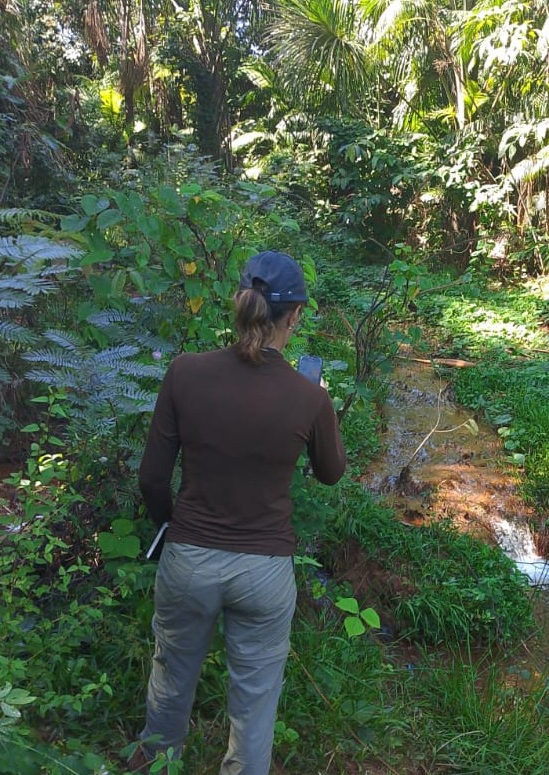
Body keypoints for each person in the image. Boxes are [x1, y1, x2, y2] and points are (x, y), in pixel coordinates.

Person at [131, 250, 347, 774]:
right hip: (264, 572)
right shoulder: (307, 397)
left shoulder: (185, 373)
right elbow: (331, 472)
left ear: (239, 304)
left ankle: (158, 760)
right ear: (293, 316)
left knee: (172, 672)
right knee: (254, 705)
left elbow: (152, 479)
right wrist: (321, 406)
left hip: (189, 561)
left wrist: (173, 528)